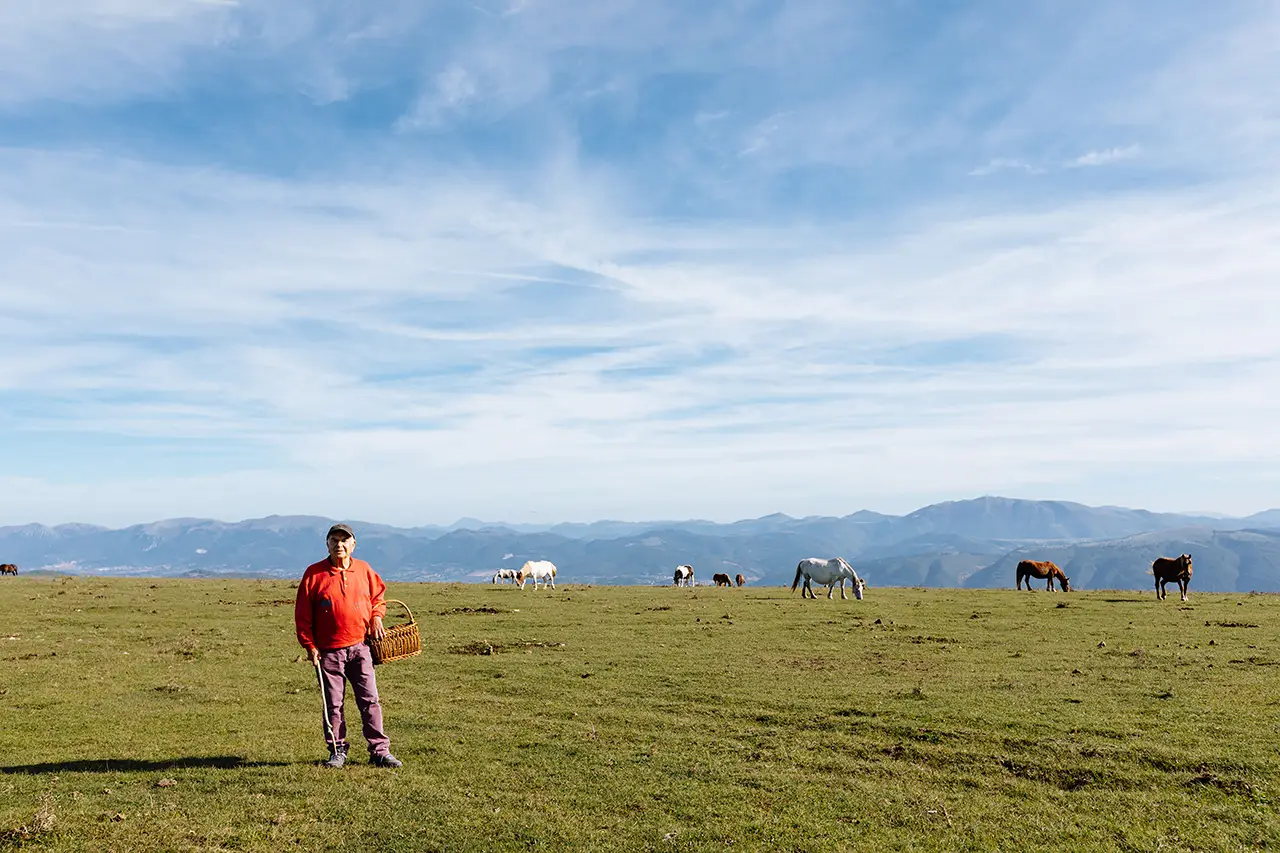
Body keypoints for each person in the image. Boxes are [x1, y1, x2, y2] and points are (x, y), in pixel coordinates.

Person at [294, 523, 403, 768]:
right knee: (333, 703)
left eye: (345, 540)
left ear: (353, 544)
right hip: (328, 652)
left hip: (360, 647)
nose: (339, 544)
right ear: (327, 544)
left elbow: (379, 598)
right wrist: (309, 645)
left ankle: (379, 751)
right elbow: (302, 615)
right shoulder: (313, 574)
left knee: (370, 700)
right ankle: (337, 751)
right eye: (334, 540)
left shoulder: (364, 570)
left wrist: (376, 616)